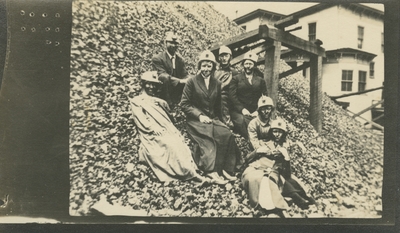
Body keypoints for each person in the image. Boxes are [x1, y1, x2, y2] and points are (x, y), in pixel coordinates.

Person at [242, 97, 315, 217]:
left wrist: (285, 153)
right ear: (259, 110)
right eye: (263, 109)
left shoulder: (274, 125)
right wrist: (263, 150)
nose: (266, 112)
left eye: (269, 109)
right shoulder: (254, 124)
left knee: (284, 178)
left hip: (273, 165)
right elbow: (253, 147)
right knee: (264, 179)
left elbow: (286, 169)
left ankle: (301, 198)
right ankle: (276, 206)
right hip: (260, 158)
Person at [130, 71, 207, 184]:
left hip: (165, 127)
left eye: (153, 84)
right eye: (148, 84)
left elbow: (168, 116)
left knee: (180, 143)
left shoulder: (158, 101)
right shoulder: (137, 101)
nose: (151, 87)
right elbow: (140, 118)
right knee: (169, 146)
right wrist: (152, 129)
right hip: (151, 131)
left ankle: (190, 171)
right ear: (143, 84)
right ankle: (192, 175)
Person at [180, 50, 242, 185]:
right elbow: (184, 104)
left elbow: (219, 105)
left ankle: (226, 169)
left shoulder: (216, 83)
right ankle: (211, 170)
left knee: (227, 134)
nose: (206, 69)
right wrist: (200, 115)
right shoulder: (191, 82)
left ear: (213, 67)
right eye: (203, 66)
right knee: (209, 138)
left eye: (209, 66)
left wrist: (222, 121)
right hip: (196, 121)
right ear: (199, 66)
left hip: (212, 118)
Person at [229, 51, 267, 139]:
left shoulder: (260, 80)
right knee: (242, 121)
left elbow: (265, 97)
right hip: (239, 111)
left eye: (250, 64)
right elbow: (232, 96)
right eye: (246, 64)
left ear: (254, 65)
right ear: (243, 65)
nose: (248, 66)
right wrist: (242, 109)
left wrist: (258, 111)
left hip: (254, 111)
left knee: (260, 124)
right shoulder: (236, 79)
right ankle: (252, 140)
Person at [152, 32, 190, 107]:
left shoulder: (180, 60)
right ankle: (168, 104)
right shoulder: (158, 58)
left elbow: (184, 74)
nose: (173, 45)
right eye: (171, 43)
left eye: (176, 43)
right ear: (166, 43)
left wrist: (189, 79)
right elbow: (162, 74)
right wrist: (179, 81)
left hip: (176, 89)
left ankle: (185, 103)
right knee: (164, 77)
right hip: (164, 89)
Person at [214, 45, 238, 129]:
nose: (224, 58)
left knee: (223, 97)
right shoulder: (214, 71)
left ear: (230, 57)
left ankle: (227, 121)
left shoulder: (234, 72)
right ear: (219, 58)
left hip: (228, 98)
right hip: (213, 93)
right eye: (222, 56)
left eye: (226, 56)